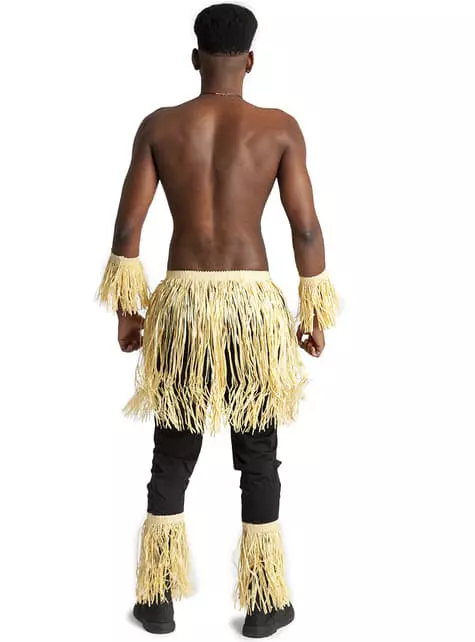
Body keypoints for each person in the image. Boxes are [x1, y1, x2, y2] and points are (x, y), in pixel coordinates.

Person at [96, 2, 338, 638]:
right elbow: (305, 228)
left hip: (182, 304)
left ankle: (157, 599)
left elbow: (127, 227)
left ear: (194, 58)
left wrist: (127, 311)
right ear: (250, 61)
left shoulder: (159, 126)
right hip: (252, 309)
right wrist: (314, 312)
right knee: (258, 452)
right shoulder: (280, 128)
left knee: (173, 450)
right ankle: (264, 604)